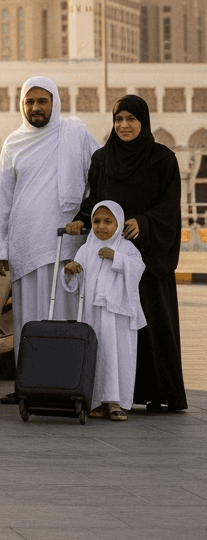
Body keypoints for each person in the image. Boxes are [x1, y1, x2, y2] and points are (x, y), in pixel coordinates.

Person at [67, 95, 187, 412]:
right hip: (109, 258)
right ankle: (113, 393)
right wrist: (80, 221)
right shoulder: (102, 159)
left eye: (131, 119)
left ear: (143, 122)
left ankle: (158, 392)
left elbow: (169, 206)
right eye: (119, 119)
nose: (124, 125)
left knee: (150, 323)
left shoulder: (163, 159)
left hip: (146, 257)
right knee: (113, 328)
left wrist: (144, 223)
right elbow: (93, 202)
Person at [0, 77, 99, 405]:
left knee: (66, 315)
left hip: (68, 245)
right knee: (28, 318)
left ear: (55, 102)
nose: (36, 108)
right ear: (22, 105)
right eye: (29, 102)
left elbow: (101, 174)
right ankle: (30, 384)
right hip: (26, 244)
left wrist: (88, 218)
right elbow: (2, 200)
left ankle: (67, 385)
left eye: (42, 101)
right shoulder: (13, 143)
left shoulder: (76, 135)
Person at [62, 201, 146, 421]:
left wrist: (116, 257)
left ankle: (117, 402)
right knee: (97, 354)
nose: (101, 226)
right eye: (97, 221)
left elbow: (138, 268)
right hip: (93, 314)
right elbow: (75, 279)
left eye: (108, 221)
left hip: (118, 315)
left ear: (118, 223)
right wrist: (70, 270)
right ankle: (97, 401)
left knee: (117, 355)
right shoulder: (86, 248)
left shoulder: (126, 247)